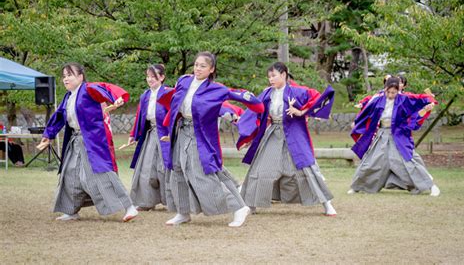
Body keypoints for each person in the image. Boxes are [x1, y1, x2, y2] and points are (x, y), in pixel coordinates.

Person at [160, 51, 264, 227]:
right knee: (177, 168)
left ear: (211, 69)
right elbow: (175, 104)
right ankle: (183, 212)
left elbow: (250, 102)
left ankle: (238, 207)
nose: (198, 68)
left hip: (200, 135)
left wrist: (254, 104)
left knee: (201, 171)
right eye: (196, 64)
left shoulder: (217, 89)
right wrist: (168, 128)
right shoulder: (184, 81)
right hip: (181, 131)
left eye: (203, 66)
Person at [39, 63, 139, 221]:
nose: (65, 79)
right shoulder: (68, 97)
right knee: (70, 174)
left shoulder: (88, 89)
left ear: (80, 77)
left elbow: (105, 89)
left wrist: (116, 98)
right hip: (75, 141)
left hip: (92, 141)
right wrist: (48, 134)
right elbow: (59, 116)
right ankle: (71, 210)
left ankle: (129, 207)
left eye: (69, 75)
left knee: (103, 173)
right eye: (64, 76)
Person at [237, 62, 337, 216]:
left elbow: (317, 98)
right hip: (273, 133)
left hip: (294, 133)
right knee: (260, 167)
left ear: (283, 75)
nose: (271, 79)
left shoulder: (297, 91)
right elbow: (254, 113)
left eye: (274, 75)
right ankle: (251, 204)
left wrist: (301, 111)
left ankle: (326, 204)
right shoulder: (266, 94)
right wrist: (249, 135)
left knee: (307, 167)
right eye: (269, 76)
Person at [349, 77, 440, 196]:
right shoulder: (377, 99)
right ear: (385, 89)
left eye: (394, 92)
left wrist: (429, 100)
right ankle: (357, 186)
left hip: (398, 135)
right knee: (370, 161)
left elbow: (419, 99)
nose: (391, 95)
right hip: (381, 134)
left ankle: (430, 186)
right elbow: (366, 109)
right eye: (389, 92)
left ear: (398, 90)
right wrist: (357, 122)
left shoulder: (404, 99)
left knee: (407, 162)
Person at [128, 64, 173, 211]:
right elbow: (139, 117)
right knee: (146, 168)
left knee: (165, 167)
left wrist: (172, 134)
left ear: (162, 77)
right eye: (148, 76)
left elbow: (174, 115)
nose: (150, 79)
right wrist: (133, 135)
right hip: (150, 134)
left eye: (153, 76)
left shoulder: (169, 93)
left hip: (165, 135)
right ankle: (146, 201)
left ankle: (172, 201)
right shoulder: (145, 95)